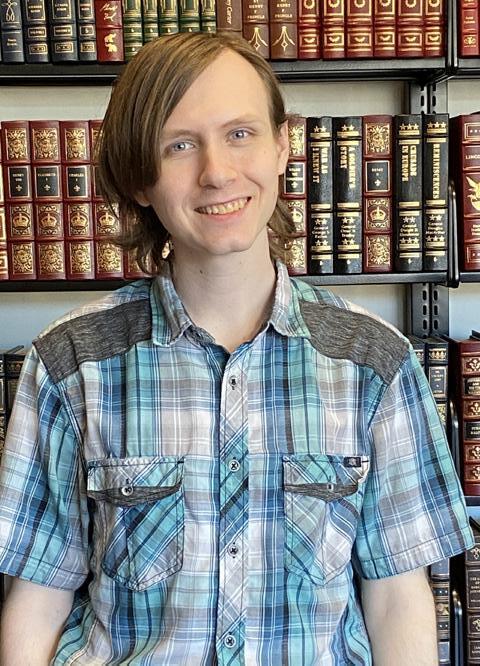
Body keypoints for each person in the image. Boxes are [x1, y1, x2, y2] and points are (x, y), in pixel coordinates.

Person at [0, 32, 473, 666]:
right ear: (139, 180)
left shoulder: (375, 363)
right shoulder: (69, 363)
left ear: (282, 147)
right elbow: (38, 596)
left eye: (240, 134)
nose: (217, 172)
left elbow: (396, 599)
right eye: (179, 144)